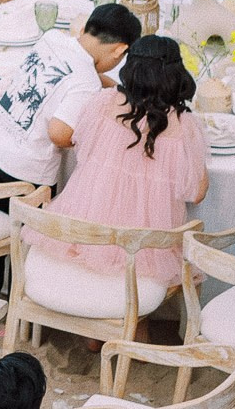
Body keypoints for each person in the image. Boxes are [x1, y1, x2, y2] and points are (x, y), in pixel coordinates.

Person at [0, 2, 142, 298]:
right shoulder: (85, 82)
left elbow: (73, 70)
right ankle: (25, 300)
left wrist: (112, 88)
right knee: (29, 239)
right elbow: (59, 134)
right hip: (26, 170)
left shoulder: (53, 40)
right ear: (119, 51)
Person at [53, 34, 210, 291]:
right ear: (175, 74)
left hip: (85, 231)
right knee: (138, 293)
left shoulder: (102, 103)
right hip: (143, 248)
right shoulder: (184, 126)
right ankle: (131, 326)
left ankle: (98, 325)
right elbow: (197, 193)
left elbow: (81, 149)